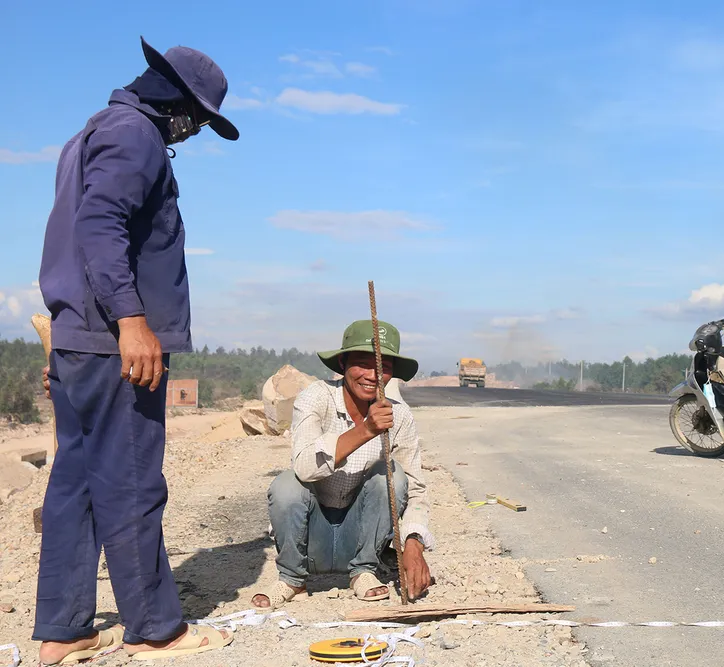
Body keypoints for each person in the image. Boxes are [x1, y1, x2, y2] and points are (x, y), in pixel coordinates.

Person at [34, 36, 239, 664]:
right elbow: (101, 227)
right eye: (199, 120)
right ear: (178, 103)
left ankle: (64, 632)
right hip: (115, 344)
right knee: (129, 480)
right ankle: (155, 628)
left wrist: (70, 339)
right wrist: (132, 321)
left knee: (74, 481)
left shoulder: (90, 132)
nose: (195, 132)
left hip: (80, 340)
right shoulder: (137, 136)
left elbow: (79, 234)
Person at [252, 320, 435, 608]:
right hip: (310, 538)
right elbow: (304, 467)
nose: (373, 376)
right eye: (363, 364)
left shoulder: (399, 416)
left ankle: (364, 572)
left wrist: (413, 542)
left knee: (393, 476)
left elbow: (415, 489)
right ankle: (291, 579)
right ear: (342, 363)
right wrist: (365, 430)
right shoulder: (316, 398)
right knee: (287, 485)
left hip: (360, 538)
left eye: (383, 367)